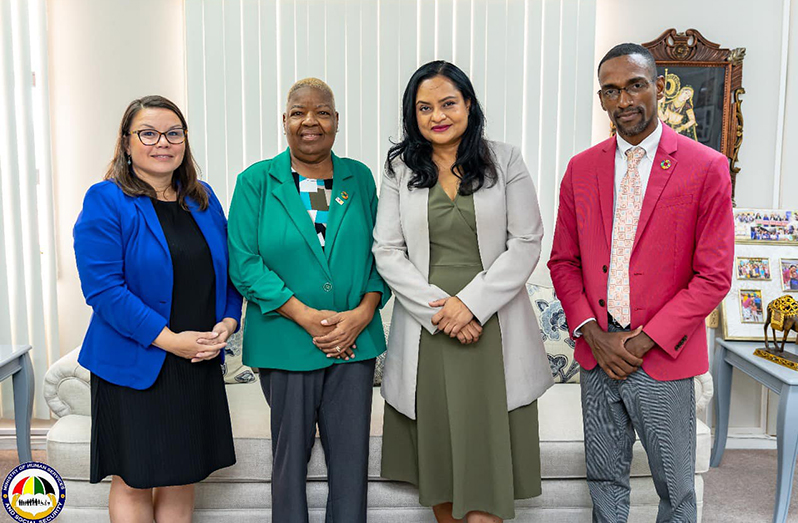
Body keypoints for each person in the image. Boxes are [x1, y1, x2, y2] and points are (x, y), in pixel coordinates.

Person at [548, 43, 734, 522]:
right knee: (605, 483)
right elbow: (563, 263)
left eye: (635, 85)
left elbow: (713, 277)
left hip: (663, 357)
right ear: (602, 98)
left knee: (676, 491)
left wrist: (642, 341)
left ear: (657, 87)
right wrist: (593, 334)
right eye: (611, 90)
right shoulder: (581, 169)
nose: (624, 100)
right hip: (598, 354)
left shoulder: (705, 166)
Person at [374, 60, 554, 523]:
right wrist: (443, 313)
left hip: (493, 322)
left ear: (469, 105)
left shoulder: (506, 158)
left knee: (488, 460)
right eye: (425, 107)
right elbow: (387, 249)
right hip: (429, 325)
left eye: (448, 103)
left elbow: (527, 241)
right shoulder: (399, 168)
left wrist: (470, 306)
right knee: (440, 461)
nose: (438, 115)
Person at [227, 77, 389, 523]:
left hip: (354, 343)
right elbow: (244, 263)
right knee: (288, 462)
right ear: (284, 121)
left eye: (321, 112)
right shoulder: (256, 181)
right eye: (299, 112)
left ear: (336, 121)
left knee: (351, 463)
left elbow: (384, 253)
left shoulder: (359, 177)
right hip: (286, 342)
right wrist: (304, 315)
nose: (310, 121)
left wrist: (362, 313)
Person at [73, 95, 242, 523]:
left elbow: (228, 273)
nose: (162, 142)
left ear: (184, 141)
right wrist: (171, 341)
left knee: (181, 476)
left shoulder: (204, 199)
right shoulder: (106, 200)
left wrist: (227, 321)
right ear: (127, 143)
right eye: (148, 133)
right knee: (135, 479)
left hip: (197, 358)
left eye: (173, 133)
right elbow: (104, 290)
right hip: (136, 363)